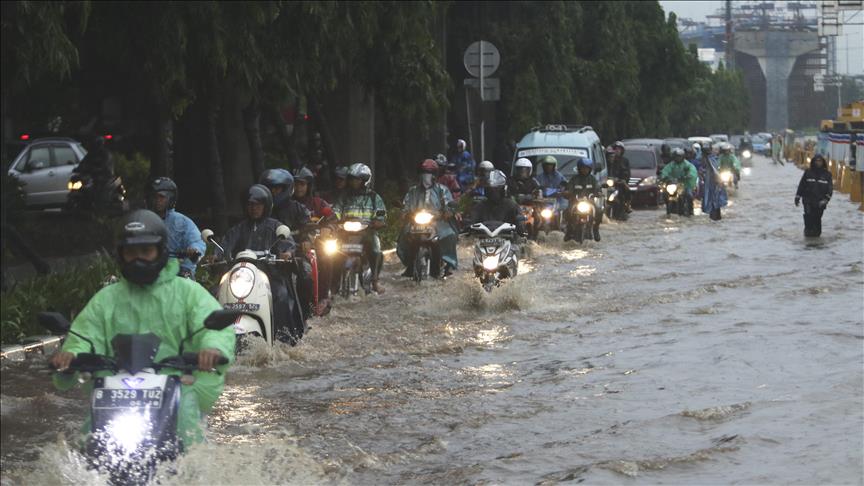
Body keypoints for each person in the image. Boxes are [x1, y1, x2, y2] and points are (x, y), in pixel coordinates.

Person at [49, 209, 234, 445]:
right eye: (131, 252)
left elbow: (212, 327)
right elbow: (85, 334)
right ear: (121, 255)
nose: (138, 259)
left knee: (190, 445)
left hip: (177, 393)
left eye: (145, 251)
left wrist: (212, 348)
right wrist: (70, 356)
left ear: (161, 251)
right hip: (114, 398)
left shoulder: (188, 293)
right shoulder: (106, 299)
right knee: (85, 447)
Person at [217, 185, 305, 343]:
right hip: (241, 276)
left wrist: (287, 253)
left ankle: (284, 339)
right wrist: (216, 256)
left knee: (281, 296)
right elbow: (225, 246)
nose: (254, 208)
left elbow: (288, 244)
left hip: (270, 275)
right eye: (250, 205)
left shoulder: (275, 226)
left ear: (266, 206)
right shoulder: (238, 228)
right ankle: (209, 341)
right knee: (214, 293)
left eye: (258, 205)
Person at [397, 159, 458, 278]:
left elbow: (449, 205)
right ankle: (410, 264)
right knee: (404, 235)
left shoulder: (442, 190)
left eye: (430, 172)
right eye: (424, 172)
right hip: (416, 221)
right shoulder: (413, 191)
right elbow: (406, 205)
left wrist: (448, 212)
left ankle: (447, 264)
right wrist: (404, 212)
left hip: (437, 222)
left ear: (435, 175)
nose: (427, 175)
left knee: (450, 235)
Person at [332, 163, 387, 294]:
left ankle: (374, 281)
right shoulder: (344, 196)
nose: (353, 182)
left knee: (376, 250)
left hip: (367, 232)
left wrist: (379, 222)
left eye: (356, 179)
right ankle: (333, 284)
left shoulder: (374, 197)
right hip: (345, 232)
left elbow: (381, 213)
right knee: (331, 253)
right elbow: (336, 210)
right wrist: (334, 218)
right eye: (351, 179)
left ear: (364, 180)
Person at [146, 177, 206, 278]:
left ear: (171, 198)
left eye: (161, 197)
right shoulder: (146, 220)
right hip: (153, 273)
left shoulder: (182, 222)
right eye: (155, 197)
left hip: (180, 272)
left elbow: (198, 241)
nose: (157, 200)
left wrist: (194, 250)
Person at [467, 170, 526, 235]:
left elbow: (521, 226)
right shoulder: (479, 206)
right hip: (482, 241)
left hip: (508, 240)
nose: (494, 192)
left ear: (503, 189)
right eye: (491, 189)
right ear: (486, 190)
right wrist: (468, 225)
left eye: (497, 189)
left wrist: (520, 223)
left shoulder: (512, 205)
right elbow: (470, 223)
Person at [563, 157, 602, 242]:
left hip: (589, 202)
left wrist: (599, 193)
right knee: (567, 212)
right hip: (575, 202)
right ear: (579, 168)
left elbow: (598, 188)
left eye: (586, 168)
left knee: (599, 211)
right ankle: (569, 231)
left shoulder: (592, 179)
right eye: (583, 168)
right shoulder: (574, 179)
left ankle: (596, 230)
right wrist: (567, 193)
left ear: (590, 169)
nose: (584, 170)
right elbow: (569, 188)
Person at [795, 154, 832, 237]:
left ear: (823, 162)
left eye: (820, 161)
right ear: (813, 162)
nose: (818, 163)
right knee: (808, 216)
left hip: (820, 201)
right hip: (808, 199)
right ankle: (808, 234)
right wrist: (798, 196)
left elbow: (830, 190)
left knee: (817, 219)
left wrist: (826, 200)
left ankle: (817, 237)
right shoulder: (808, 172)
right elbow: (802, 185)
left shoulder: (827, 175)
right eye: (816, 161)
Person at [73, 135, 115, 203]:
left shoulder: (106, 154)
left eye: (98, 144)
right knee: (82, 181)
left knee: (98, 186)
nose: (96, 145)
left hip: (105, 176)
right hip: (93, 175)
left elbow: (106, 165)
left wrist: (99, 169)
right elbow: (84, 162)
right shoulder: (91, 154)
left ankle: (98, 203)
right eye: (95, 144)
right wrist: (78, 168)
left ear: (101, 144)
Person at [660, 147, 699, 215]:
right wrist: (664, 176)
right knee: (664, 194)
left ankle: (690, 211)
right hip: (673, 184)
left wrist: (689, 175)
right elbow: (665, 171)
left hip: (685, 184)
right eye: (677, 156)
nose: (678, 158)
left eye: (680, 157)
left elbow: (692, 170)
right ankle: (668, 209)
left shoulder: (687, 164)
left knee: (689, 195)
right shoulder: (671, 165)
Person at [701, 151, 728, 221]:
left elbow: (715, 172)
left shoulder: (712, 162)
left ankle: (715, 218)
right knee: (713, 203)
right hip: (711, 186)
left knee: (715, 203)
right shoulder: (709, 162)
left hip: (715, 186)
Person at [608, 141, 632, 211]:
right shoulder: (610, 160)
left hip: (621, 181)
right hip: (611, 181)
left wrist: (624, 180)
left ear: (622, 150)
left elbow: (628, 173)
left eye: (619, 149)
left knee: (628, 190)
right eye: (616, 149)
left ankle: (627, 205)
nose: (617, 151)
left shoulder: (625, 161)